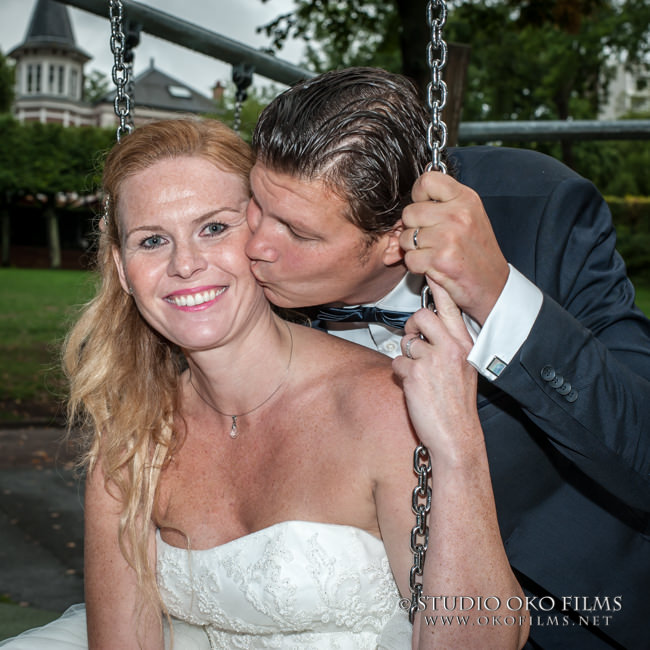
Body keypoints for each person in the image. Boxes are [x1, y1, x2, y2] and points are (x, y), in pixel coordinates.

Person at [0, 118, 527, 649]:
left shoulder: (384, 405)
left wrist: (458, 447)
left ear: (261, 237)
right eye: (153, 240)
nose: (185, 264)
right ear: (121, 267)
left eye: (214, 228)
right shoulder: (133, 437)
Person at [246, 67, 650, 649]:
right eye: (257, 204)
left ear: (395, 239)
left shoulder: (542, 212)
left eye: (297, 234)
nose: (256, 244)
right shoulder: (250, 252)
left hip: (574, 614)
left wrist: (497, 292)